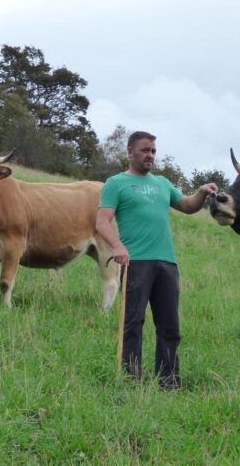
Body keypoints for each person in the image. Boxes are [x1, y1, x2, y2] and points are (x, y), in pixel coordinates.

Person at [95, 131, 218, 389]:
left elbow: (186, 205)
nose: (150, 154)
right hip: (135, 262)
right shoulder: (116, 183)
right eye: (144, 150)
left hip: (167, 263)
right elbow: (102, 222)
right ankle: (130, 379)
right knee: (133, 323)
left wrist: (201, 192)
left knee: (170, 326)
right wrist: (117, 247)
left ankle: (169, 381)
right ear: (129, 152)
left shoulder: (163, 183)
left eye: (153, 150)